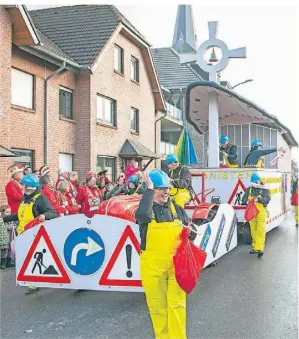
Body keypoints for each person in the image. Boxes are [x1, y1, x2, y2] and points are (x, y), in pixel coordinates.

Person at [135, 170, 196, 339]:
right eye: (161, 188)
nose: (166, 192)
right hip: (152, 267)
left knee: (177, 305)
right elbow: (142, 216)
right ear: (152, 190)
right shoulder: (145, 208)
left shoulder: (176, 208)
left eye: (167, 188)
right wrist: (148, 190)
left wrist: (190, 233)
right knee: (158, 308)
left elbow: (191, 230)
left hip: (176, 265)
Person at [3, 174, 58, 294]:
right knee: (27, 259)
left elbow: (53, 213)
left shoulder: (41, 199)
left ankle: (34, 283)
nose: (22, 187)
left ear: (30, 187)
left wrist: (44, 216)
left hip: (35, 235)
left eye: (24, 185)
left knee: (32, 259)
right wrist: (4, 219)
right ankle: (36, 280)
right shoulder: (25, 198)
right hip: (23, 234)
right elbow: (19, 215)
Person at [242, 172, 271, 257]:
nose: (254, 183)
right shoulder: (249, 189)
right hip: (251, 212)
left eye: (255, 182)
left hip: (261, 212)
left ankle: (260, 249)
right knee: (253, 230)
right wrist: (246, 201)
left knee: (260, 230)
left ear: (259, 181)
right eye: (253, 182)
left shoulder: (265, 189)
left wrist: (259, 200)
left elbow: (267, 199)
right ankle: (255, 248)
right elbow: (243, 198)